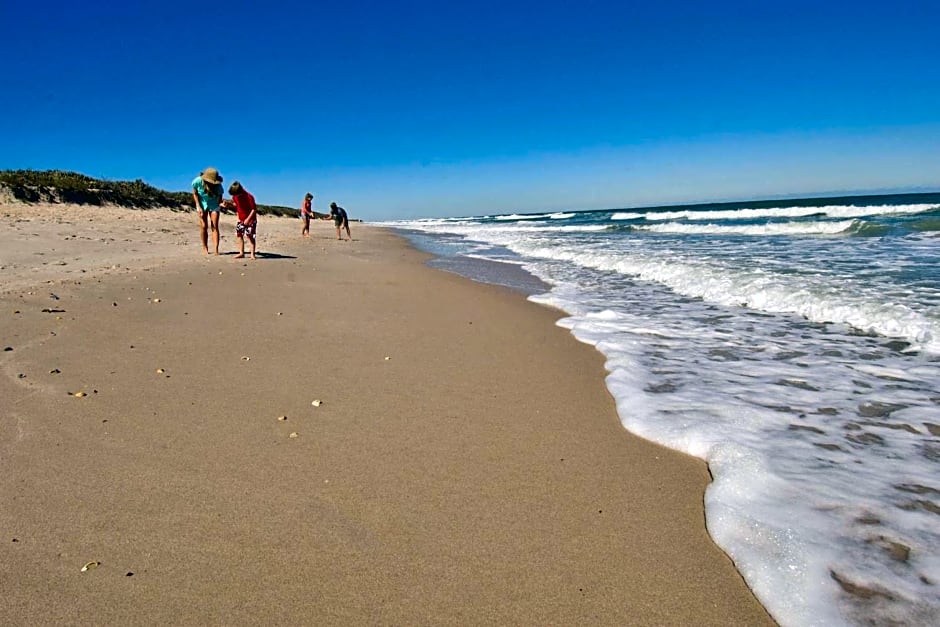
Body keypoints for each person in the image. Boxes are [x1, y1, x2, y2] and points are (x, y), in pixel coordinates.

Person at [192, 167, 224, 255]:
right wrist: (198, 207)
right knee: (203, 226)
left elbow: (220, 198)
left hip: (214, 204)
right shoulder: (197, 181)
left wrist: (220, 204)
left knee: (214, 226)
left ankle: (216, 249)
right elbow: (195, 194)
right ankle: (205, 248)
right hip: (201, 203)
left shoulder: (218, 186)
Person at [227, 181, 258, 259]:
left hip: (251, 220)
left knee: (250, 236)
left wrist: (248, 219)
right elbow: (236, 205)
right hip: (241, 219)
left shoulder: (249, 196)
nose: (234, 196)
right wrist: (229, 204)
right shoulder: (235, 197)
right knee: (239, 235)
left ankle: (252, 254)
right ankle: (241, 253)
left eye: (235, 194)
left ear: (240, 192)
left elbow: (253, 210)